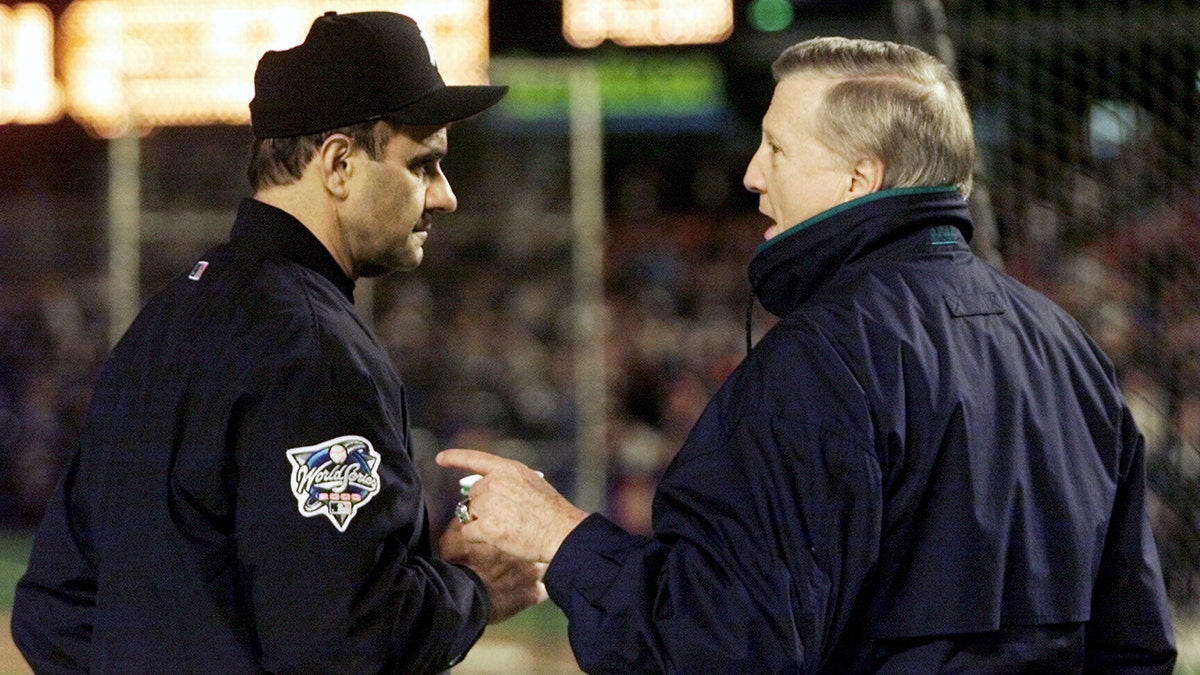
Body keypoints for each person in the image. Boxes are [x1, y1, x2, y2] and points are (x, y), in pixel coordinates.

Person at [436, 36, 1178, 673]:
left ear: (859, 177)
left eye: (778, 148)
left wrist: (561, 537)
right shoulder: (1067, 347)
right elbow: (1136, 641)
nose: (754, 173)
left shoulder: (824, 357)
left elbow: (723, 647)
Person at [12, 11, 545, 673]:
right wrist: (478, 587)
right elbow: (346, 644)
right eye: (424, 164)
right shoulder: (315, 350)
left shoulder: (162, 321)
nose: (445, 196)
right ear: (340, 164)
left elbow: (53, 609)